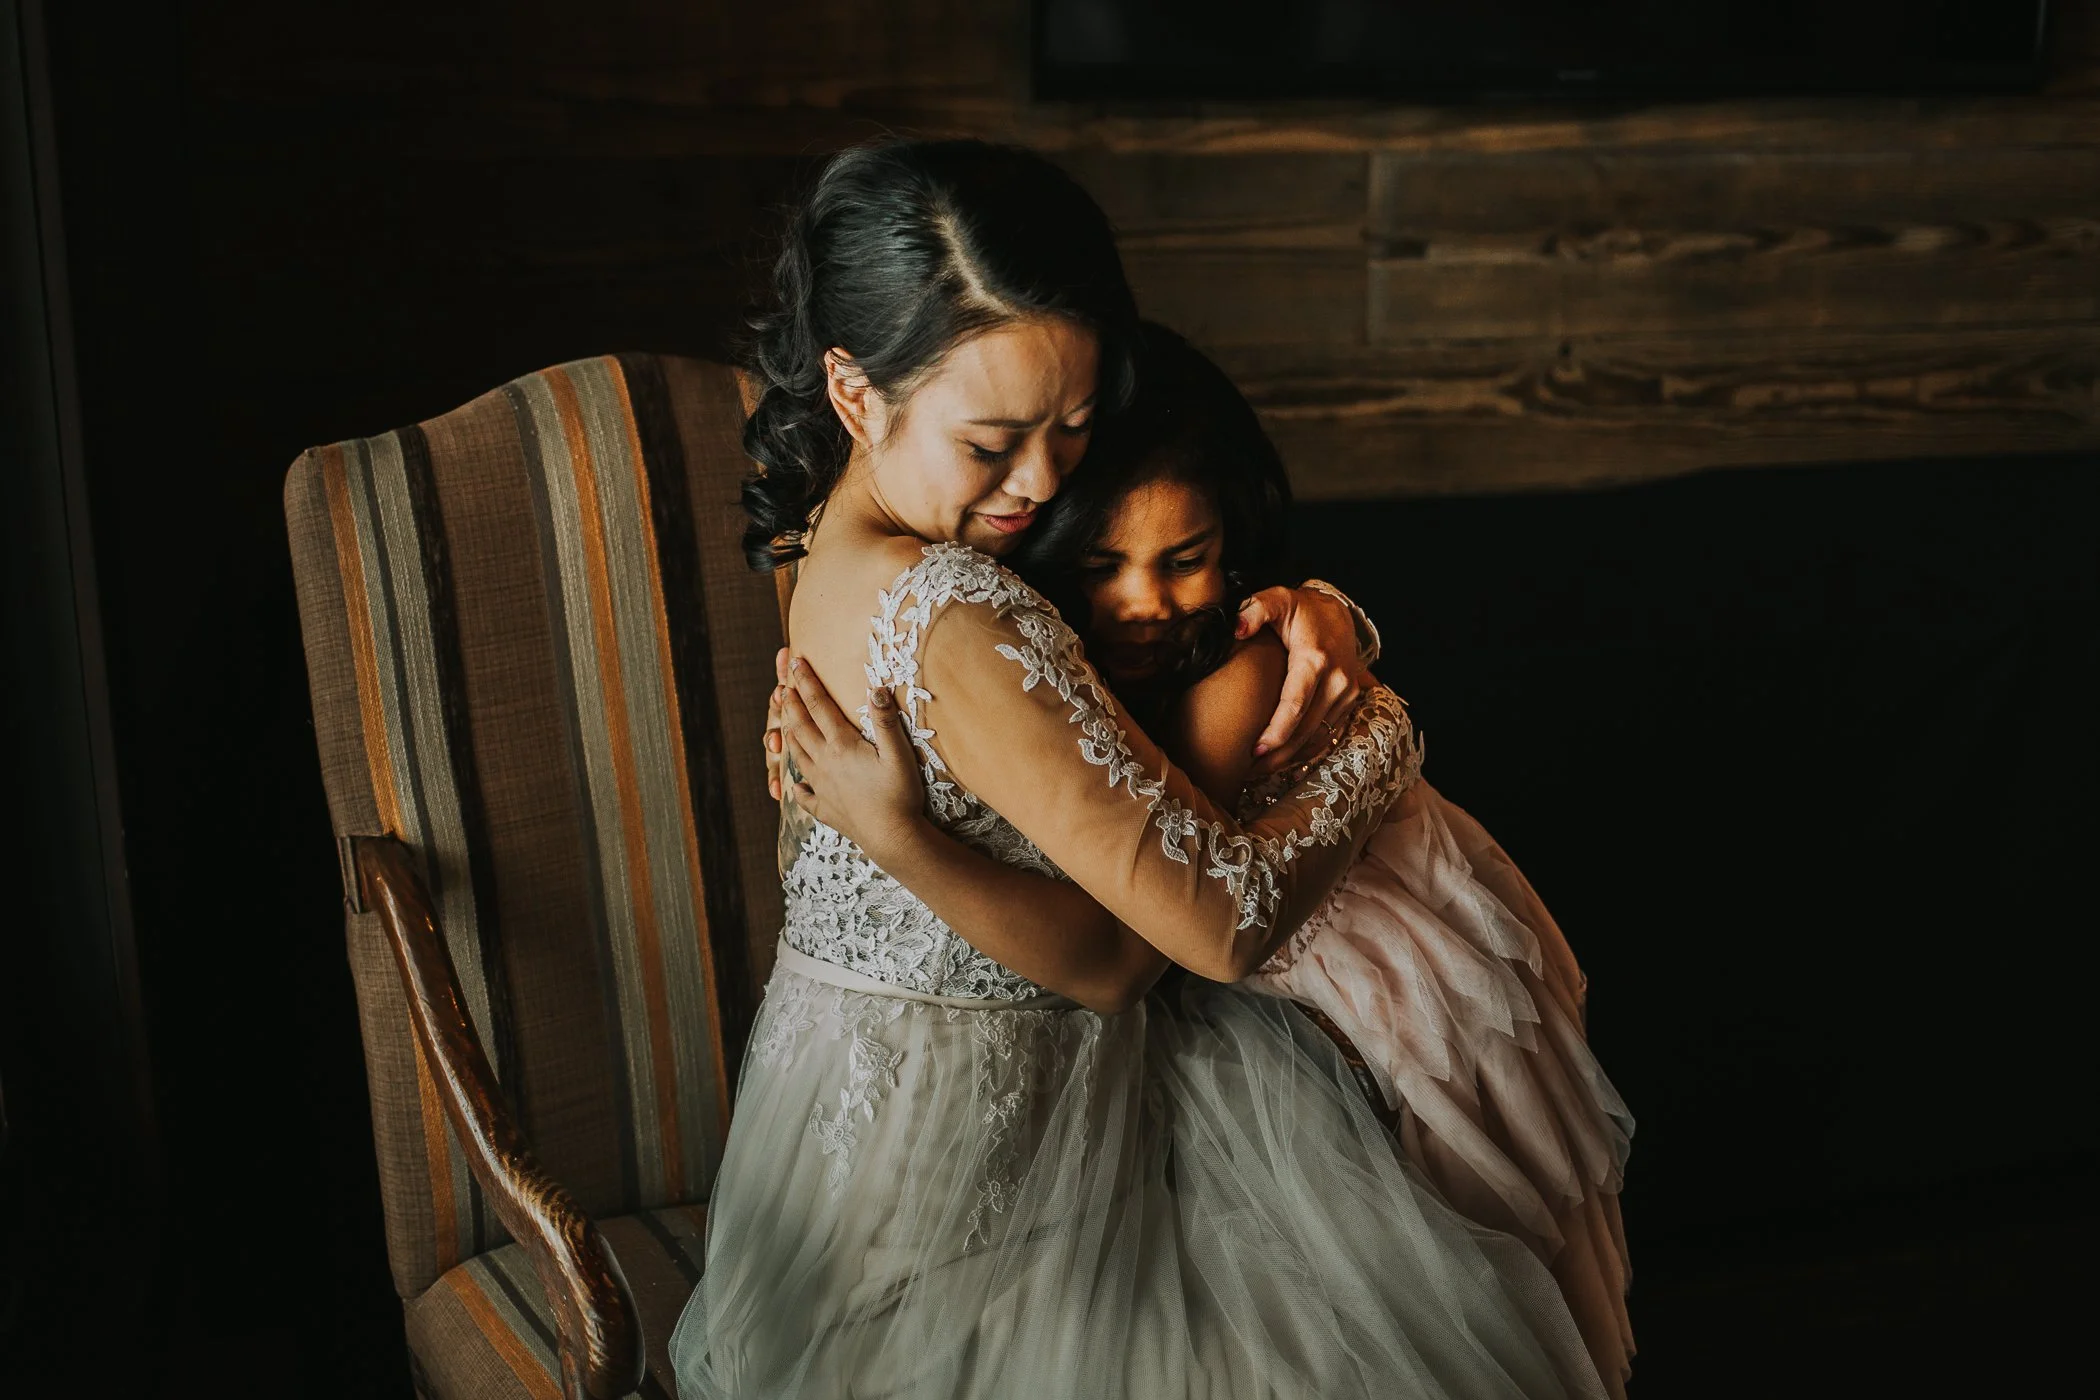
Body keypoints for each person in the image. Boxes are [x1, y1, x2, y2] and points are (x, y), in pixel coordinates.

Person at [670, 137, 1605, 1399]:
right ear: (854, 389)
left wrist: (1308, 605)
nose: (1046, 479)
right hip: (974, 1201)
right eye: (994, 439)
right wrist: (1377, 725)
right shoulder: (957, 613)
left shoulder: (822, 532)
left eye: (1073, 421)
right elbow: (1190, 935)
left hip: (843, 1133)